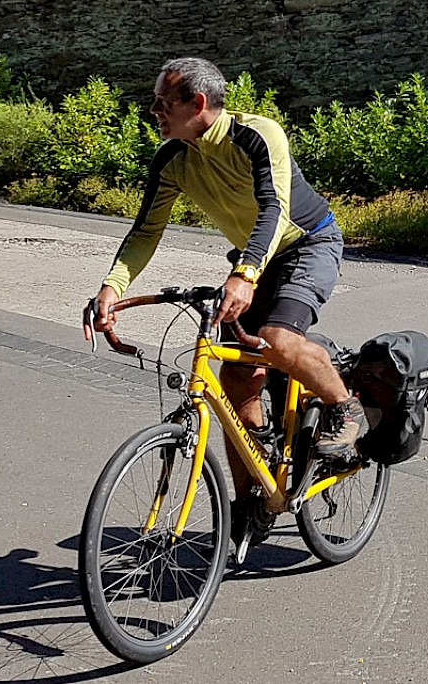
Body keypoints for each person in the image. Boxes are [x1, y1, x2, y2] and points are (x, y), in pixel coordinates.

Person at [82, 57, 364, 561]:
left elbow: (275, 209)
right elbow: (146, 231)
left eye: (163, 103)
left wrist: (246, 274)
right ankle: (255, 493)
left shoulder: (257, 136)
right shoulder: (173, 159)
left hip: (306, 243)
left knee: (278, 340)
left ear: (198, 103)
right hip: (253, 256)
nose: (153, 111)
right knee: (236, 378)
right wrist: (111, 287)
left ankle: (345, 407)